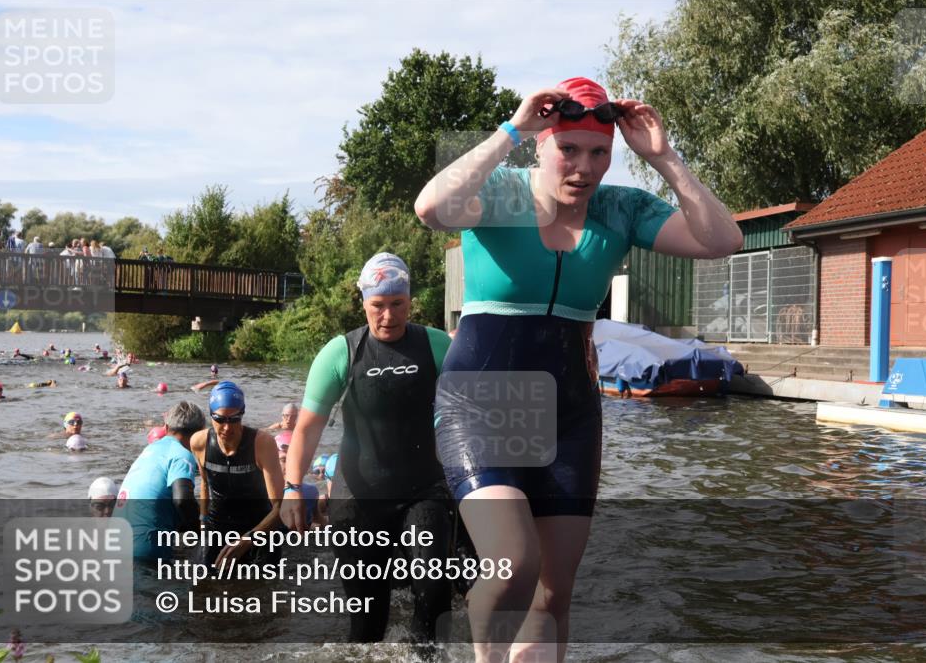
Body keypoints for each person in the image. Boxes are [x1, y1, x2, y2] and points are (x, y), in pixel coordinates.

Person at [414, 77, 743, 661]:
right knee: (513, 562)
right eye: (568, 148)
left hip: (569, 411)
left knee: (553, 592)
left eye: (599, 153)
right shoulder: (503, 193)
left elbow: (722, 240)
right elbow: (430, 208)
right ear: (542, 144)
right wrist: (511, 129)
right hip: (483, 404)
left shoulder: (622, 209)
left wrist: (663, 157)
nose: (583, 167)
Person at [281, 252, 454, 645]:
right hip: (358, 498)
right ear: (363, 303)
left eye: (398, 304)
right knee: (367, 620)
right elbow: (307, 429)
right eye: (378, 305)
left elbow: (471, 413)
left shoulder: (437, 346)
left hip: (423, 491)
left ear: (410, 301)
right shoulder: (341, 353)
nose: (388, 316)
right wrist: (292, 487)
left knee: (434, 594)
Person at [189, 381, 283, 568]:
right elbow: (205, 484)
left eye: (234, 419)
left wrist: (248, 540)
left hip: (258, 526)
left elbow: (280, 508)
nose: (227, 428)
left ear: (242, 414)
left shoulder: (262, 444)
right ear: (210, 415)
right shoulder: (199, 442)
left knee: (261, 588)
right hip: (218, 523)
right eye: (220, 419)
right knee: (202, 581)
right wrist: (202, 523)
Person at [115, 402, 206, 560]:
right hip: (144, 548)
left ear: (165, 427)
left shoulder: (149, 450)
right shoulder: (182, 454)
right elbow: (183, 500)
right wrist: (202, 533)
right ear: (198, 434)